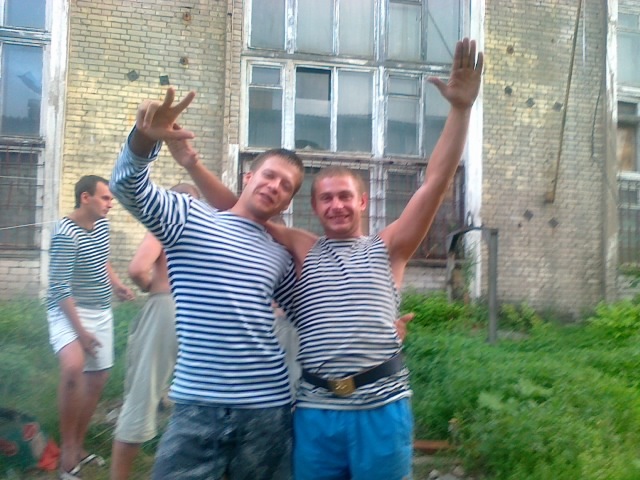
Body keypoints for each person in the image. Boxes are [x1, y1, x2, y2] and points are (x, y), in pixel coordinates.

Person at [186, 38, 483, 479]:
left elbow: (435, 182)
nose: (336, 205)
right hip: (316, 410)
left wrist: (460, 109)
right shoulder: (303, 247)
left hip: (382, 408)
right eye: (326, 198)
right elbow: (239, 207)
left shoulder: (389, 247)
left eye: (345, 196)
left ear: (362, 201)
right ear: (315, 207)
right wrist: (192, 164)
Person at [109, 89, 304, 480]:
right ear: (249, 177)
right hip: (197, 407)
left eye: (286, 186)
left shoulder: (280, 253)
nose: (274, 186)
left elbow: (307, 313)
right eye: (269, 175)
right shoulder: (189, 218)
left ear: (287, 202)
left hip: (268, 409)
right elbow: (127, 186)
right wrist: (145, 138)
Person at [46, 175, 134, 480]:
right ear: (86, 197)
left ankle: (79, 444)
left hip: (100, 311)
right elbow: (59, 288)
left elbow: (102, 260)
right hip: (68, 310)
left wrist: (117, 284)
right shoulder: (65, 234)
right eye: (105, 198)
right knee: (74, 367)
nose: (111, 204)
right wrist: (81, 333)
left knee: (98, 378)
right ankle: (68, 450)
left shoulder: (101, 226)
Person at [109, 183, 200, 480]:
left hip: (167, 308)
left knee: (142, 392)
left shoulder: (165, 226)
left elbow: (137, 268)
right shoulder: (206, 232)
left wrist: (154, 288)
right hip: (199, 314)